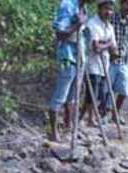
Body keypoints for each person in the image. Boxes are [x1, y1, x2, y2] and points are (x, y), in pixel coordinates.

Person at [48, 0, 93, 142]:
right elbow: (60, 34)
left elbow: (84, 34)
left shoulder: (84, 8)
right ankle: (54, 133)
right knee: (60, 96)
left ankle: (69, 128)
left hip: (80, 57)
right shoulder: (67, 5)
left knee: (73, 97)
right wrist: (77, 25)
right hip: (67, 57)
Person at [80, 0, 118, 126]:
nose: (109, 12)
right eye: (106, 9)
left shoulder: (109, 26)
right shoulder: (93, 24)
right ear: (99, 9)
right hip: (92, 64)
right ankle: (90, 119)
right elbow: (96, 47)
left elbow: (114, 49)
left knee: (97, 93)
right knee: (92, 92)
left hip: (104, 65)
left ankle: (82, 117)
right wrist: (108, 44)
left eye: (111, 9)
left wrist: (106, 45)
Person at [109, 0, 128, 125]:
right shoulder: (112, 17)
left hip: (123, 61)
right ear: (122, 4)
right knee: (106, 91)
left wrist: (124, 51)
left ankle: (115, 114)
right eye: (127, 4)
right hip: (109, 60)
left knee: (124, 91)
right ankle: (102, 114)